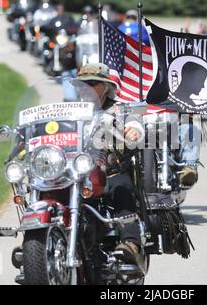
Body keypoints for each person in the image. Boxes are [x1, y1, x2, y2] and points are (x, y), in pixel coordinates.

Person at [77, 63, 145, 267]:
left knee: (120, 187)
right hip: (75, 175)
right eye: (82, 84)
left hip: (109, 173)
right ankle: (42, 238)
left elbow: (135, 129)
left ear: (106, 86)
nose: (85, 88)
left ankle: (131, 244)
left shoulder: (120, 109)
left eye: (92, 83)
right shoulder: (72, 111)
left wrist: (132, 132)